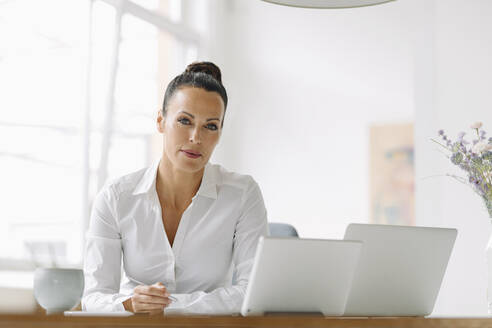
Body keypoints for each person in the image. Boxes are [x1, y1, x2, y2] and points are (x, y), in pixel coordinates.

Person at [81, 62, 268, 315]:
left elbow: (252, 293)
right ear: (160, 121)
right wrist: (129, 303)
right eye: (184, 121)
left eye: (210, 126)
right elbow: (93, 298)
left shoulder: (243, 194)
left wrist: (168, 306)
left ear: (220, 132)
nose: (196, 137)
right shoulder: (116, 197)